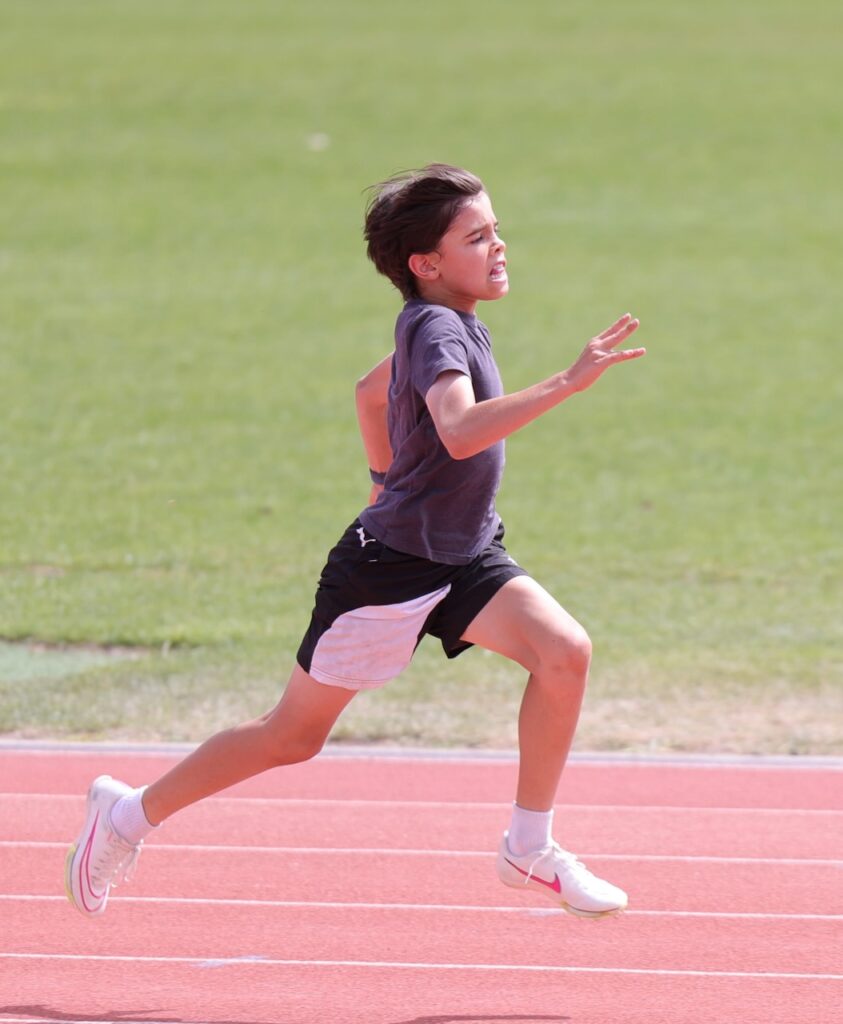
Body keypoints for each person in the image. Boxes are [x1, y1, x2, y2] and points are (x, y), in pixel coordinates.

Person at [66, 163, 645, 921]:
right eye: (477, 236)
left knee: (564, 652)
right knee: (289, 737)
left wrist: (382, 477)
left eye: (495, 230)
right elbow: (462, 430)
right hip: (388, 572)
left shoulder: (449, 320)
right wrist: (566, 382)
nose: (499, 246)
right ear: (425, 264)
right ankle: (125, 815)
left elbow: (369, 392)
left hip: (463, 552)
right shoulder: (436, 324)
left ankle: (527, 847)